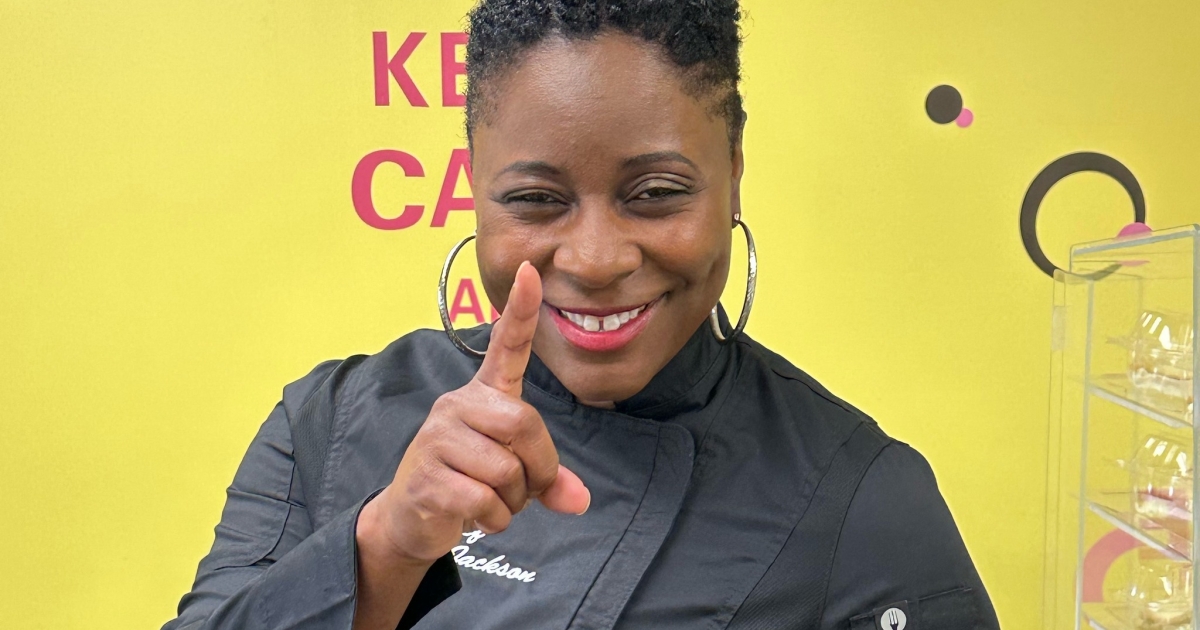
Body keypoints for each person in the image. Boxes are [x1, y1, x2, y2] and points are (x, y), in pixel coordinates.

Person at [165, 1, 1001, 628]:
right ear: (474, 185)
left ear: (734, 174)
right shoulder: (330, 421)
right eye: (536, 199)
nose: (596, 260)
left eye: (656, 193)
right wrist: (385, 544)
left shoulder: (863, 502)